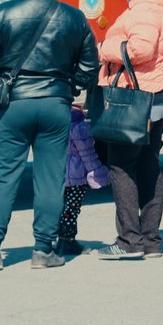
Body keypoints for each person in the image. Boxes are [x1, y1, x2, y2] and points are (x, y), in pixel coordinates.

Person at [0, 0, 100, 271]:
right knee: (50, 180)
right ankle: (43, 251)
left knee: (4, 179)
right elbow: (89, 68)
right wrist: (69, 85)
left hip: (14, 105)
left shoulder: (2, 12)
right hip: (56, 105)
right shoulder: (74, 17)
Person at [96, 0, 163, 261]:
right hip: (157, 96)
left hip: (136, 98)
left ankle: (129, 241)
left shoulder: (146, 8)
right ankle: (151, 240)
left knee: (121, 165)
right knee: (149, 164)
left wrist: (105, 48)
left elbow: (141, 49)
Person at [55, 105, 109, 256]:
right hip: (77, 176)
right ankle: (68, 241)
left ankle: (60, 239)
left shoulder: (56, 123)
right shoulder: (79, 125)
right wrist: (97, 171)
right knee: (71, 209)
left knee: (62, 208)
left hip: (59, 174)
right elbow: (88, 154)